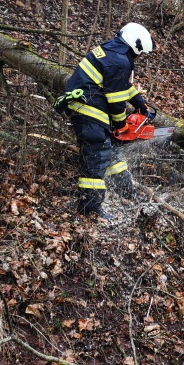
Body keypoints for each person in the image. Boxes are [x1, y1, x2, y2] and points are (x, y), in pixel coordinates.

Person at [54, 22, 155, 219]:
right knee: (98, 153)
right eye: (140, 53)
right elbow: (116, 103)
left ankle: (126, 191)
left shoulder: (112, 51)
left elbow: (118, 85)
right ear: (135, 45)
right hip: (88, 107)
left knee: (112, 150)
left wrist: (139, 103)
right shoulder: (120, 61)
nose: (139, 57)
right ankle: (89, 207)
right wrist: (122, 126)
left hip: (84, 103)